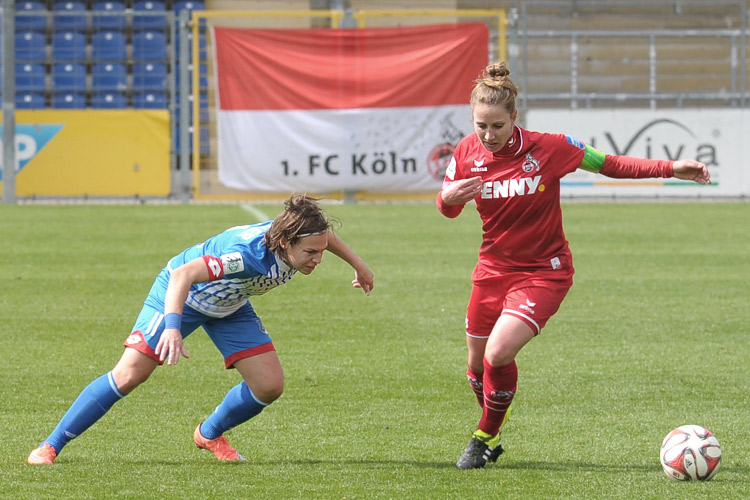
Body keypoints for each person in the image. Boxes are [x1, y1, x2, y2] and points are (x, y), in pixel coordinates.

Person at [437, 61, 711, 470]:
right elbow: (448, 210)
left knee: (497, 354)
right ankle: (495, 419)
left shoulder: (550, 147)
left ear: (515, 117)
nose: (488, 135)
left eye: (497, 125)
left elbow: (610, 164)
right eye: (481, 126)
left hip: (544, 272)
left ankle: (484, 436)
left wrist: (671, 169)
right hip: (491, 271)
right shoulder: (466, 152)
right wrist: (450, 196)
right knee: (476, 367)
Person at [28, 194, 374, 465]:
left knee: (269, 387)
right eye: (311, 252)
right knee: (130, 374)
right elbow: (183, 275)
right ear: (285, 243)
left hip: (230, 304)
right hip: (181, 296)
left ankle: (209, 435)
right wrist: (173, 328)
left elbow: (326, 235)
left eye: (321, 252)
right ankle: (50, 446)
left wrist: (360, 266)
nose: (318, 258)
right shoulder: (245, 256)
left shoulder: (302, 237)